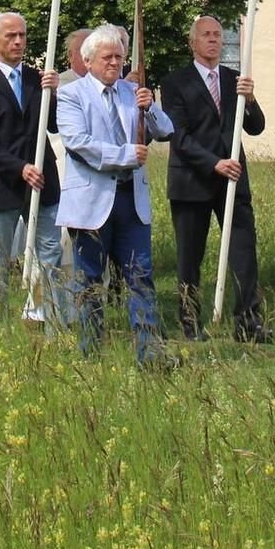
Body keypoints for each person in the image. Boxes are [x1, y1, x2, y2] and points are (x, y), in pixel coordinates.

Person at [57, 25, 174, 361]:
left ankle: (149, 351)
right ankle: (90, 351)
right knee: (90, 281)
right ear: (89, 60)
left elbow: (165, 130)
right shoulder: (71, 95)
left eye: (119, 57)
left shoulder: (131, 91)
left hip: (130, 201)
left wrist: (149, 105)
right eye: (107, 58)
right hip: (92, 202)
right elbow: (78, 143)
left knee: (140, 275)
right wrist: (124, 155)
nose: (114, 64)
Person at [162, 14, 268, 342]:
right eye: (206, 35)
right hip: (193, 180)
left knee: (243, 251)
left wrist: (249, 100)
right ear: (192, 42)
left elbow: (256, 127)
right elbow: (178, 136)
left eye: (218, 35)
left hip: (233, 181)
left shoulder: (234, 80)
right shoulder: (175, 83)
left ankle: (248, 323)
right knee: (189, 257)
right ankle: (191, 323)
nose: (213, 40)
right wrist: (214, 163)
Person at [0, 11, 65, 322]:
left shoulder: (39, 80)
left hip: (43, 183)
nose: (19, 41)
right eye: (11, 36)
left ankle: (48, 321)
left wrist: (54, 93)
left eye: (22, 35)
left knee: (49, 258)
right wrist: (20, 167)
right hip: (3, 185)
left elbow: (53, 125)